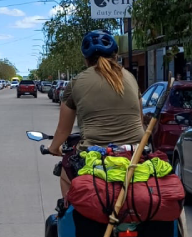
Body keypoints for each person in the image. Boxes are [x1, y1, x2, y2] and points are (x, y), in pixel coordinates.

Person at [48, 29, 144, 197]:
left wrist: (54, 147)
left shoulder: (76, 83)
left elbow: (64, 130)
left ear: (86, 59)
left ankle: (70, 212)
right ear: (116, 55)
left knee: (64, 175)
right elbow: (140, 119)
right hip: (135, 153)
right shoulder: (131, 78)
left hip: (95, 154)